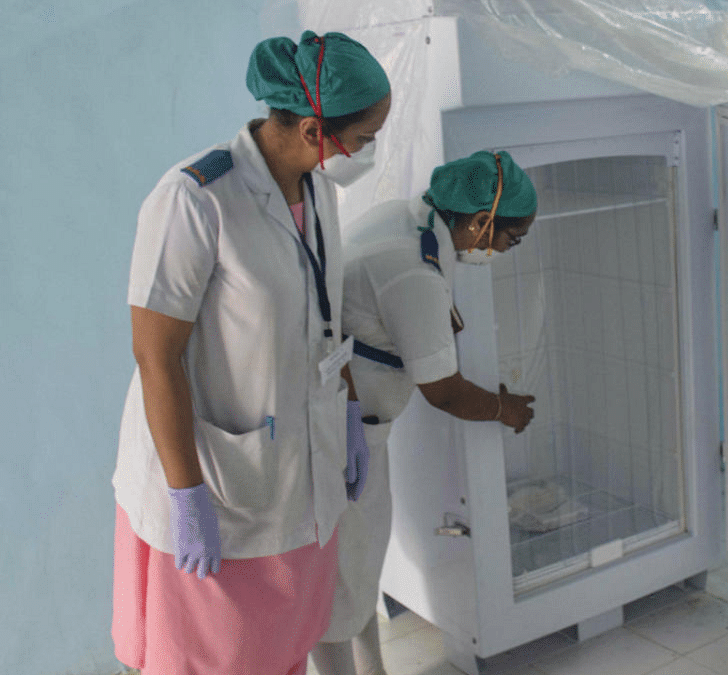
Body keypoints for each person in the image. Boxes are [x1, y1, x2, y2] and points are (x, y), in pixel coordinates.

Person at [111, 30, 391, 675]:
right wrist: (186, 495)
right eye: (364, 137)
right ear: (316, 129)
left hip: (300, 472)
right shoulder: (195, 198)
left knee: (284, 645)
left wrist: (347, 410)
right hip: (218, 480)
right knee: (211, 655)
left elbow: (325, 316)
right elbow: (156, 356)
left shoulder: (318, 191)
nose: (367, 150)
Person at [309, 150, 538, 675]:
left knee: (356, 571)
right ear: (481, 222)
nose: (508, 248)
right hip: (342, 433)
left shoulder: (407, 219)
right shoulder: (415, 270)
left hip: (351, 424)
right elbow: (446, 393)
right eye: (511, 237)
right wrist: (506, 410)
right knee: (341, 582)